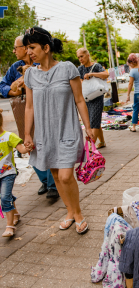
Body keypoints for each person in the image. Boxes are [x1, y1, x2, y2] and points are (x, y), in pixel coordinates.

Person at [23, 26, 94, 234]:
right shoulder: (30, 76)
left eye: (32, 47)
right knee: (54, 174)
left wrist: (88, 127)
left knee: (65, 176)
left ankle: (78, 213)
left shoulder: (67, 69)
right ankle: (69, 212)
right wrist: (27, 134)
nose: (29, 52)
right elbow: (29, 107)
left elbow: (79, 100)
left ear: (46, 47)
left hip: (67, 130)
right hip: (44, 133)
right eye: (27, 48)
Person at [0, 36, 58, 199]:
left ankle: (54, 184)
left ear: (25, 48)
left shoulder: (42, 62)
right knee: (29, 144)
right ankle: (45, 180)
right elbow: (2, 85)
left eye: (15, 47)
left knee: (48, 143)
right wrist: (12, 91)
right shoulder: (15, 67)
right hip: (23, 109)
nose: (13, 51)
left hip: (44, 108)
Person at [0, 109, 29, 237]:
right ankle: (15, 214)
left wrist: (26, 148)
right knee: (6, 195)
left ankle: (9, 226)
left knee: (4, 198)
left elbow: (21, 149)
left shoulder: (8, 136)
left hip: (8, 173)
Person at [77, 48, 109, 149]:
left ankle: (92, 146)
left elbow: (106, 74)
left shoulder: (96, 66)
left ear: (87, 55)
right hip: (86, 98)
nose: (80, 59)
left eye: (81, 56)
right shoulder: (80, 69)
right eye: (78, 57)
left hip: (97, 97)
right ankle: (102, 142)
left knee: (94, 121)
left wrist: (91, 74)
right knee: (94, 120)